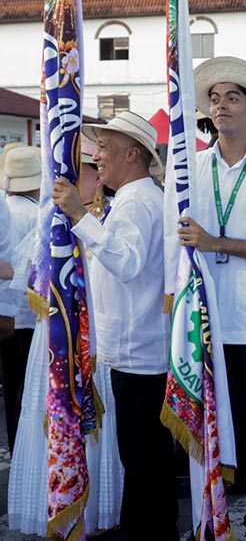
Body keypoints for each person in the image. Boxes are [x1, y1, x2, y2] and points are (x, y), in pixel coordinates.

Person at [166, 56, 246, 541]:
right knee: (203, 425)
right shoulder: (191, 169)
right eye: (215, 99)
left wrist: (217, 243)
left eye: (233, 98)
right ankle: (208, 516)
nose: (221, 107)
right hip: (204, 320)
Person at [51, 111, 177, 540]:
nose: (97, 156)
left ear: (132, 153)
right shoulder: (136, 197)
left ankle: (151, 529)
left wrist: (77, 216)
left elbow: (124, 263)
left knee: (142, 452)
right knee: (143, 451)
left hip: (139, 349)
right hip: (136, 344)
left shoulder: (139, 201)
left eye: (104, 148)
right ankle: (147, 525)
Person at [0, 146, 42, 450]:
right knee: (25, 390)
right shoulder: (35, 214)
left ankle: (16, 447)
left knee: (11, 383)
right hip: (27, 313)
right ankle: (24, 448)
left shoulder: (7, 206)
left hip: (7, 310)